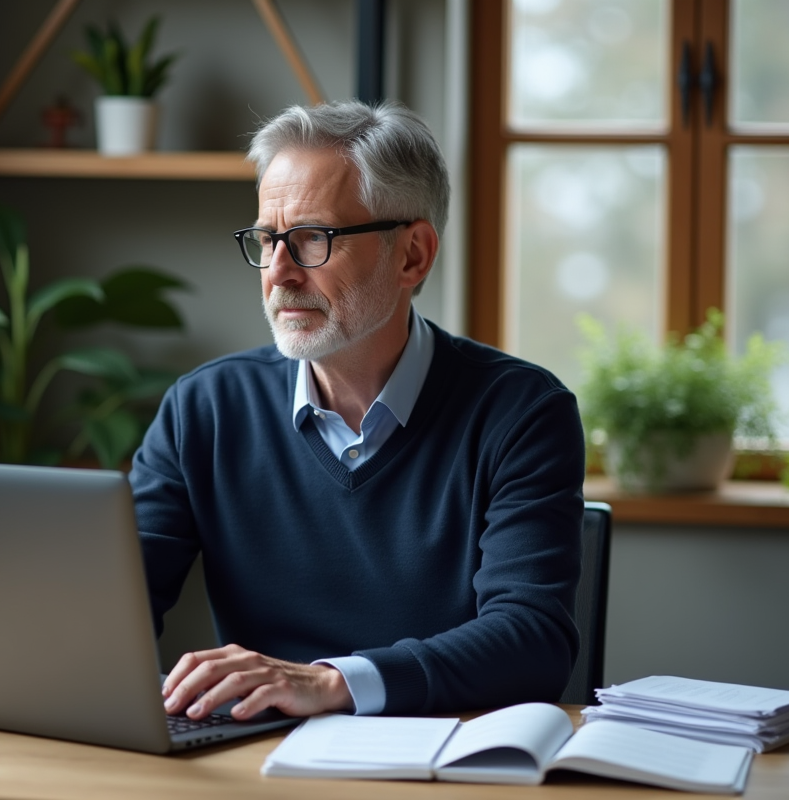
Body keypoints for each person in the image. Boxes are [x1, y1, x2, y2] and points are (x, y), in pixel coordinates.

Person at [129, 100, 585, 723]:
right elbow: (109, 607)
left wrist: (332, 682)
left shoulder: (522, 413)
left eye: (312, 239)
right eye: (267, 240)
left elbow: (533, 642)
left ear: (412, 255)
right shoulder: (203, 409)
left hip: (438, 761)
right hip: (248, 755)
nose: (279, 273)